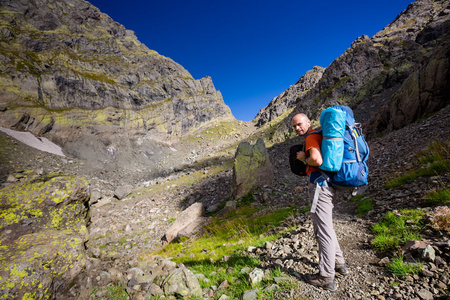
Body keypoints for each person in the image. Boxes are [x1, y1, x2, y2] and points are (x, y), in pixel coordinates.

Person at [291, 113, 349, 292]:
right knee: (327, 227)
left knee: (321, 230)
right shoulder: (318, 135)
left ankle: (326, 277)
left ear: (308, 122)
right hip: (327, 185)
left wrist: (303, 159)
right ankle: (339, 264)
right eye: (294, 126)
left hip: (319, 187)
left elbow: (317, 160)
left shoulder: (311, 138)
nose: (297, 128)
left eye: (299, 124)